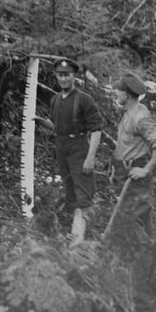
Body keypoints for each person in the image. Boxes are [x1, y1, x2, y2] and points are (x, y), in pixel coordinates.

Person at [36, 58, 102, 246]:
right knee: (70, 193)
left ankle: (85, 238)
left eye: (67, 75)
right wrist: (39, 121)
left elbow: (96, 129)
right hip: (61, 148)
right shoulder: (56, 99)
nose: (63, 79)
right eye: (60, 75)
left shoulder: (84, 99)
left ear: (74, 76)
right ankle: (76, 236)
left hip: (79, 148)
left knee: (83, 195)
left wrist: (90, 158)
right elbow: (57, 127)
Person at [109, 72, 156, 245]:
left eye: (118, 91)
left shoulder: (140, 118)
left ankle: (142, 259)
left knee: (130, 221)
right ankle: (152, 253)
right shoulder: (129, 113)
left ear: (126, 95)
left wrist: (146, 169)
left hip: (136, 175)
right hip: (125, 172)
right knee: (138, 220)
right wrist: (116, 169)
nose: (115, 94)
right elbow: (126, 145)